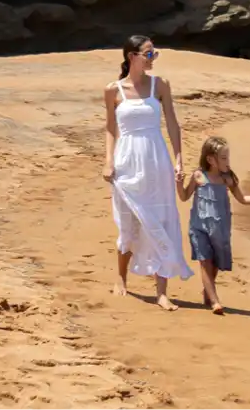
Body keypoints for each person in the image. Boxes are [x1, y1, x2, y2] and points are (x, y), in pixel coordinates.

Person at [102, 34, 193, 309]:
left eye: (155, 53)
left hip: (156, 159)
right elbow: (110, 128)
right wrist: (108, 160)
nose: (154, 58)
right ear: (133, 57)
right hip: (127, 160)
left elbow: (173, 125)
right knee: (129, 220)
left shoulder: (160, 85)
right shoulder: (113, 90)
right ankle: (121, 277)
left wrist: (179, 159)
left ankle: (161, 292)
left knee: (162, 218)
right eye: (149, 54)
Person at [176, 135, 250, 314]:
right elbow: (184, 196)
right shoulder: (198, 176)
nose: (228, 162)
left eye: (228, 158)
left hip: (220, 228)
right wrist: (178, 184)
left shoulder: (228, 179)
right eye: (224, 158)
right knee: (205, 261)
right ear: (211, 159)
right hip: (199, 227)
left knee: (216, 262)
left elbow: (242, 198)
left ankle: (207, 291)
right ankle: (215, 301)